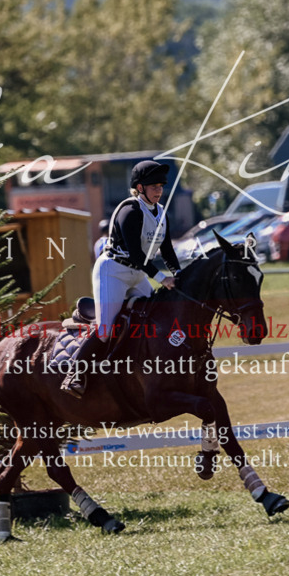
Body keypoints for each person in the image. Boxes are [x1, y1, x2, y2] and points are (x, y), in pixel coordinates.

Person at [61, 160, 182, 398]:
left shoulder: (161, 213)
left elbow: (166, 250)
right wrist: (160, 278)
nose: (159, 190)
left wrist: (178, 274)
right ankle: (75, 374)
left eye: (160, 185)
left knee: (156, 317)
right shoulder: (130, 211)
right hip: (112, 272)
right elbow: (136, 253)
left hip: (136, 274)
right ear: (139, 187)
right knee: (105, 328)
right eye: (153, 186)